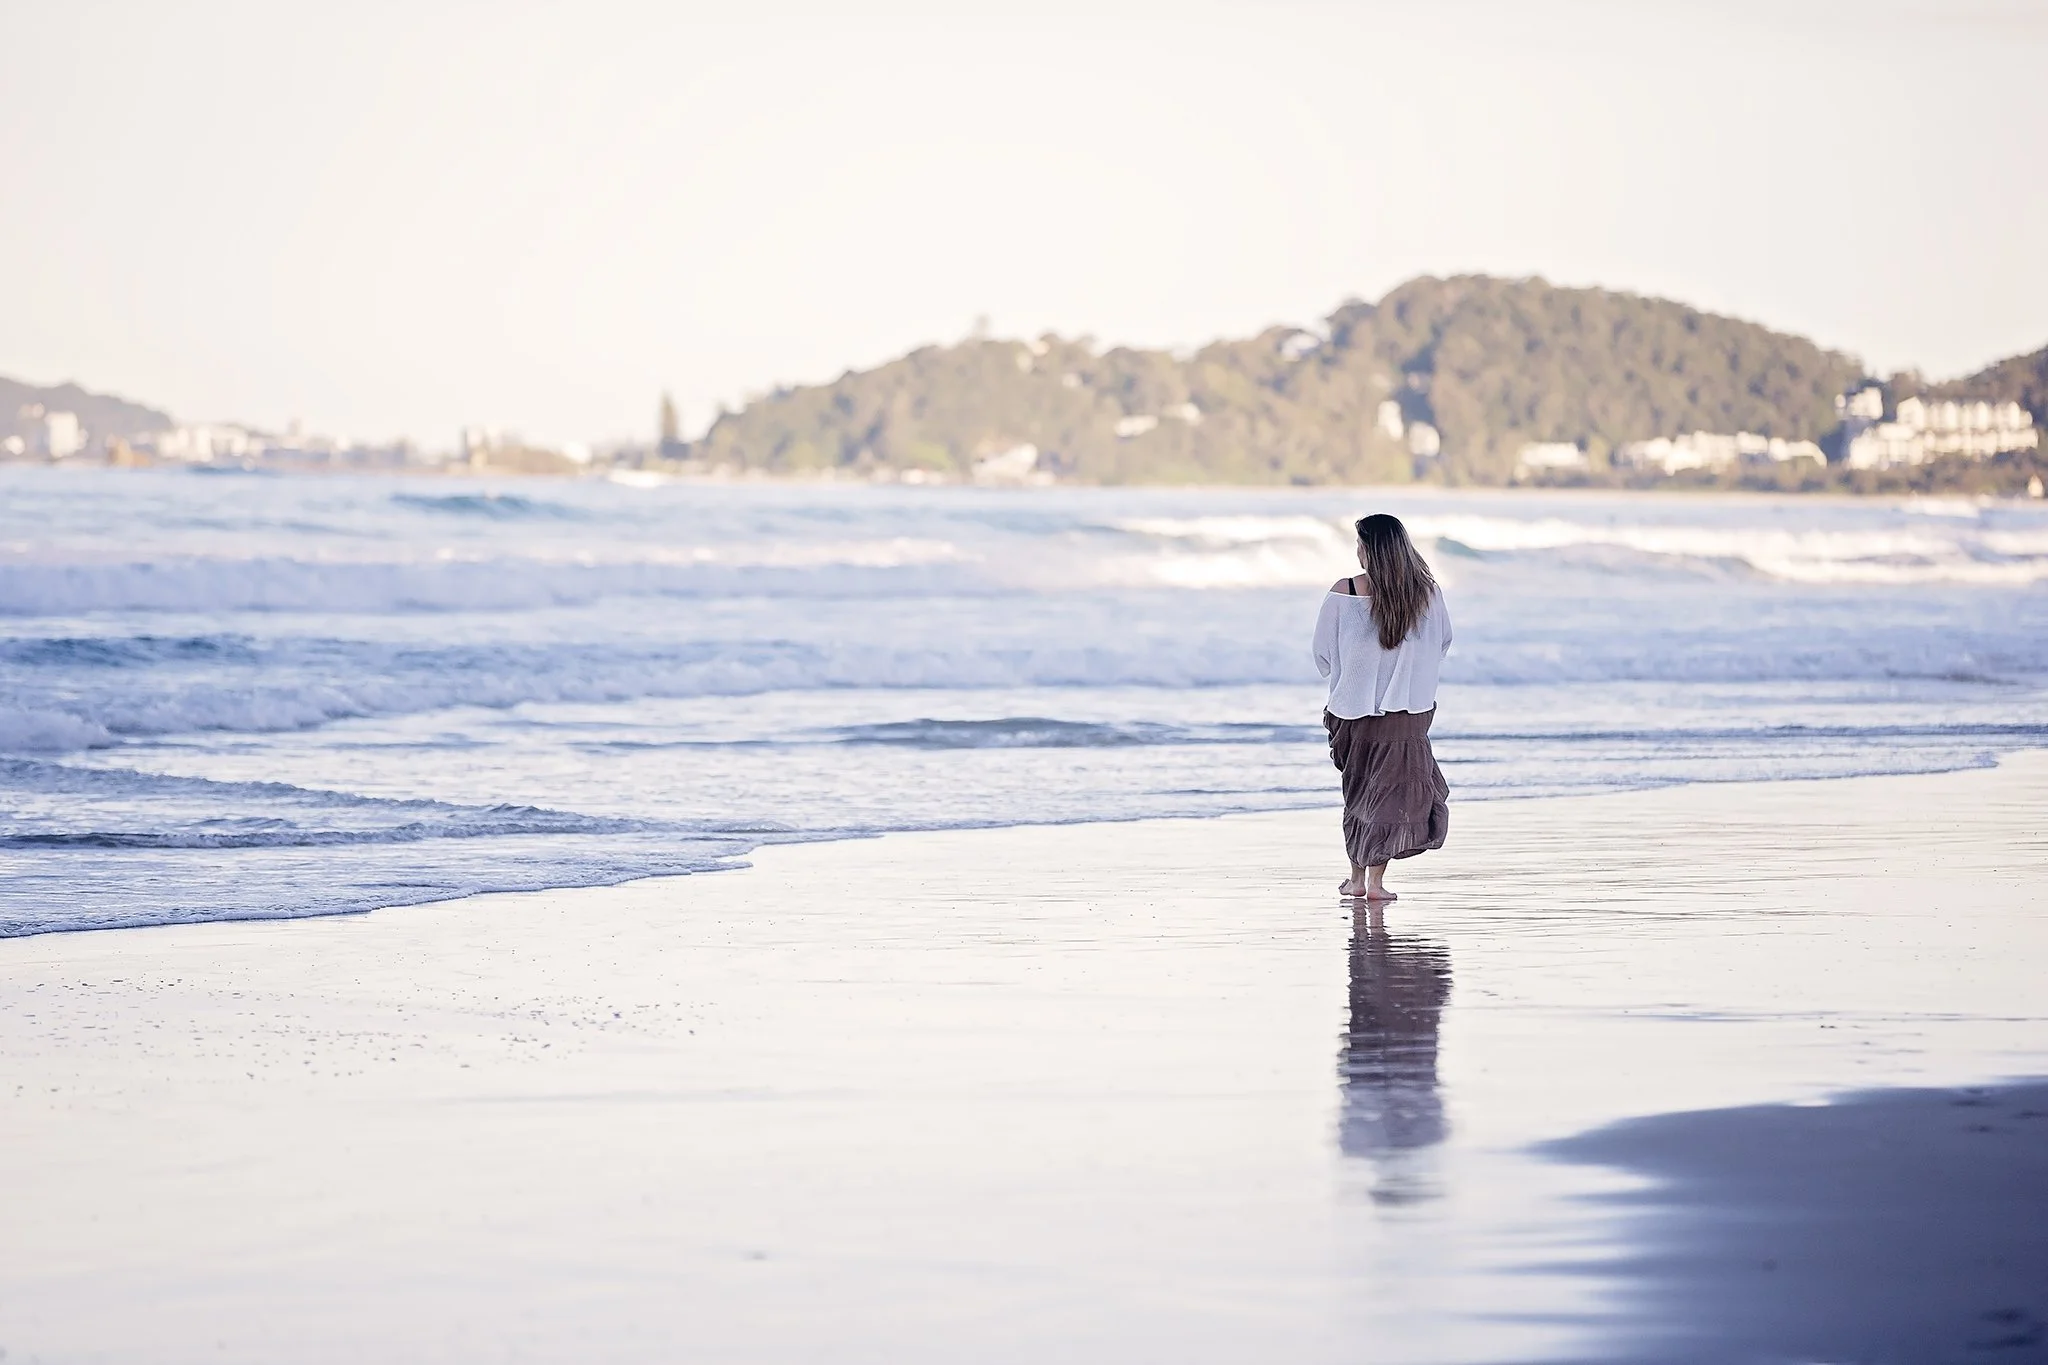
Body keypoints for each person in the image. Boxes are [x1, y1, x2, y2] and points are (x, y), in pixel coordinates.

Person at [1312, 513, 1451, 901]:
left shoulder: (1346, 592)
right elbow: (1443, 643)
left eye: (1359, 544)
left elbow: (1322, 656)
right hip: (1410, 711)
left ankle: (1358, 880)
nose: (1356, 551)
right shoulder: (1428, 593)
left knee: (1359, 793)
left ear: (1369, 549)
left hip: (1355, 712)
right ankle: (1373, 883)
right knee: (1388, 795)